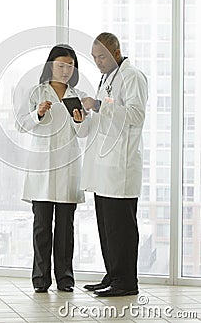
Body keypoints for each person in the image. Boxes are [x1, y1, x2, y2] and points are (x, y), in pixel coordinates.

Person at [81, 32, 148, 297]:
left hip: (121, 167)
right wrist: (85, 114)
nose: (98, 62)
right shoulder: (107, 78)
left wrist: (99, 105)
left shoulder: (132, 76)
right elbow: (105, 118)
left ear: (116, 52)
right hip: (103, 167)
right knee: (107, 228)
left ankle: (126, 283)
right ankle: (113, 275)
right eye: (94, 57)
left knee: (121, 229)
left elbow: (135, 114)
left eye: (102, 57)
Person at [16, 44, 87, 293]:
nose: (66, 70)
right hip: (42, 168)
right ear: (50, 66)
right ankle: (40, 280)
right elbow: (21, 125)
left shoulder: (76, 95)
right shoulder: (36, 92)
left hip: (68, 165)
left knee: (66, 228)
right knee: (42, 227)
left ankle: (65, 279)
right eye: (61, 65)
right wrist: (37, 113)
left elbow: (84, 132)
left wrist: (80, 121)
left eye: (70, 66)